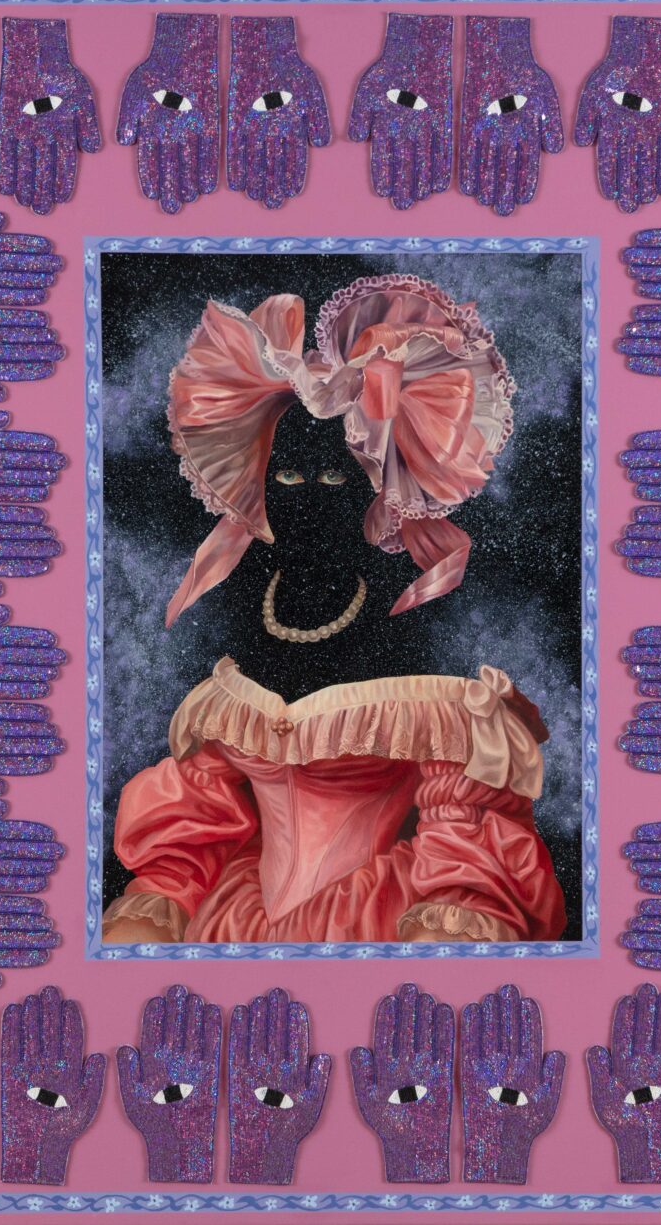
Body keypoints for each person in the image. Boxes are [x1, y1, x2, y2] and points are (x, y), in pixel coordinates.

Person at [102, 275, 566, 944]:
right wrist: (151, 916)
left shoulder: (422, 641)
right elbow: (195, 827)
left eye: (335, 478)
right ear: (260, 482)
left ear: (374, 490)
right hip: (234, 926)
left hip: (380, 922)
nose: (311, 499)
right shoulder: (243, 638)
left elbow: (463, 839)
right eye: (288, 477)